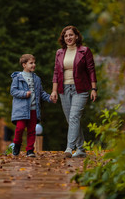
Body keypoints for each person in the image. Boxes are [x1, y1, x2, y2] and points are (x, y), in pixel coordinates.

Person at [50, 25, 97, 158]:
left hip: (80, 89)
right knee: (71, 120)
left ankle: (69, 148)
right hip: (63, 90)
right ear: (63, 39)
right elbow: (55, 72)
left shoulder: (84, 51)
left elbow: (91, 70)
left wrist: (94, 88)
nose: (68, 38)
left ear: (76, 36)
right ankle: (81, 148)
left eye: (71, 35)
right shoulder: (59, 52)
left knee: (74, 117)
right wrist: (54, 91)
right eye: (65, 36)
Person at [10, 54, 53, 157]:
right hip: (21, 109)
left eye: (34, 63)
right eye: (31, 63)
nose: (34, 65)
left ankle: (30, 150)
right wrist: (24, 94)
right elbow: (13, 91)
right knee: (19, 128)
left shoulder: (37, 79)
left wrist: (49, 98)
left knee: (31, 130)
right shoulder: (17, 78)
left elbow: (41, 93)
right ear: (24, 65)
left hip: (33, 109)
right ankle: (16, 145)